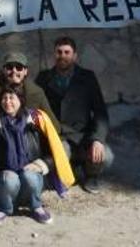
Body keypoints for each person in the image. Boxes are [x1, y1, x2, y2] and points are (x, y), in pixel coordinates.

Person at [0, 87, 74, 227]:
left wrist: (40, 165)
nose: (7, 102)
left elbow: (54, 151)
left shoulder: (35, 121)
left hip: (30, 181)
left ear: (20, 100)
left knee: (30, 175)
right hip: (5, 184)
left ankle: (36, 206)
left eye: (11, 98)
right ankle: (4, 208)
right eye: (4, 98)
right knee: (8, 178)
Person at [35, 36, 113, 193]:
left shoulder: (88, 77)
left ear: (74, 55)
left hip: (82, 135)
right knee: (60, 155)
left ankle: (91, 175)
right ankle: (70, 168)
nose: (62, 56)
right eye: (59, 52)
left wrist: (97, 139)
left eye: (67, 52)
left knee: (107, 156)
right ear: (54, 55)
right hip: (58, 136)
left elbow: (100, 111)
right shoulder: (43, 78)